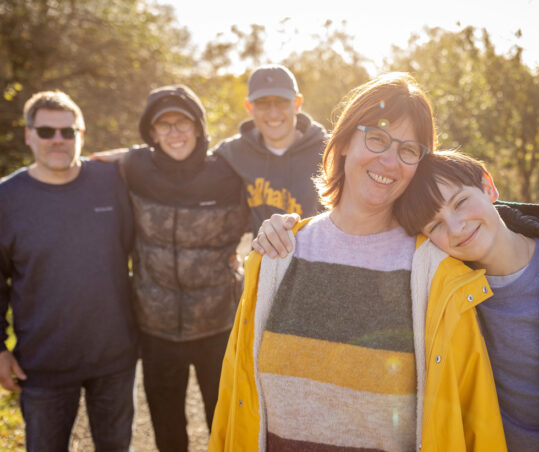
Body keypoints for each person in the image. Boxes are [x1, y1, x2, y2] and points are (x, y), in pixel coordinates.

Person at [259, 150, 539, 451]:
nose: (456, 227)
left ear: (488, 185)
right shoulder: (444, 289)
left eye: (461, 202)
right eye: (435, 224)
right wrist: (288, 231)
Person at [208, 73, 507, 451]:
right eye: (378, 138)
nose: (390, 161)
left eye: (409, 150)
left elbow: (474, 416)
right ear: (346, 140)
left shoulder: (437, 273)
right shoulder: (276, 258)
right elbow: (234, 404)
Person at [95, 84, 248, 451]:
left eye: (183, 123)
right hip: (156, 328)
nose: (175, 133)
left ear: (199, 127)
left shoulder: (228, 173)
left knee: (223, 425)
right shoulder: (136, 168)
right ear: (152, 133)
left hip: (218, 325)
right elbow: (95, 162)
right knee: (168, 431)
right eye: (164, 126)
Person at [0, 91, 137, 451]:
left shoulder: (111, 182)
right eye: (46, 132)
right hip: (43, 362)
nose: (57, 140)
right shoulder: (7, 199)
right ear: (29, 135)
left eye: (67, 131)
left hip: (114, 356)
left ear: (82, 134)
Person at [213, 64, 327, 234]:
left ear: (297, 103)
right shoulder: (234, 153)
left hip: (315, 258)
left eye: (282, 102)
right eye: (262, 103)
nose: (273, 114)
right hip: (259, 260)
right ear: (250, 107)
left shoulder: (327, 151)